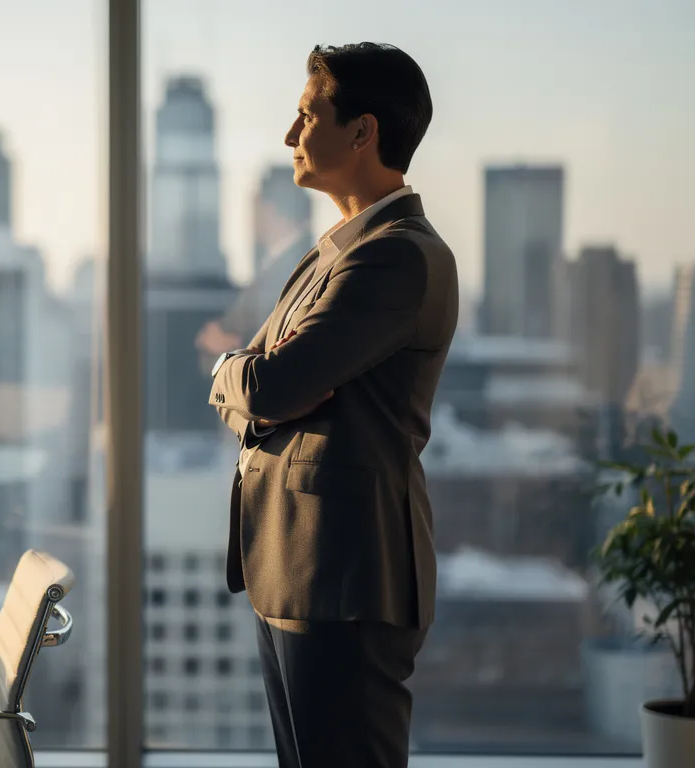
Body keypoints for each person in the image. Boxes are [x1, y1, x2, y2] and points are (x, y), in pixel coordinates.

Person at [206, 43, 458, 767]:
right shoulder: (330, 256)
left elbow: (269, 387)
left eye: (307, 114)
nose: (290, 136)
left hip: (347, 576)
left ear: (362, 132)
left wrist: (242, 376)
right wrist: (244, 374)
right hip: (291, 567)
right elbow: (255, 382)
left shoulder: (397, 256)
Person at [196, 170, 313, 360]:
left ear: (270, 209)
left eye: (255, 206)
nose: (249, 218)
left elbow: (275, 333)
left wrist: (226, 343)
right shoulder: (282, 261)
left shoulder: (295, 265)